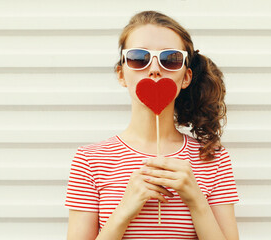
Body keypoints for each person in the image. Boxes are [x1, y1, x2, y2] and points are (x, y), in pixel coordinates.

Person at [65, 10, 240, 240]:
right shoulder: (89, 160)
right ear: (121, 74)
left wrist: (196, 200)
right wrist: (124, 210)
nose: (155, 69)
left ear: (186, 77)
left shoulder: (213, 158)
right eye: (139, 57)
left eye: (170, 59)